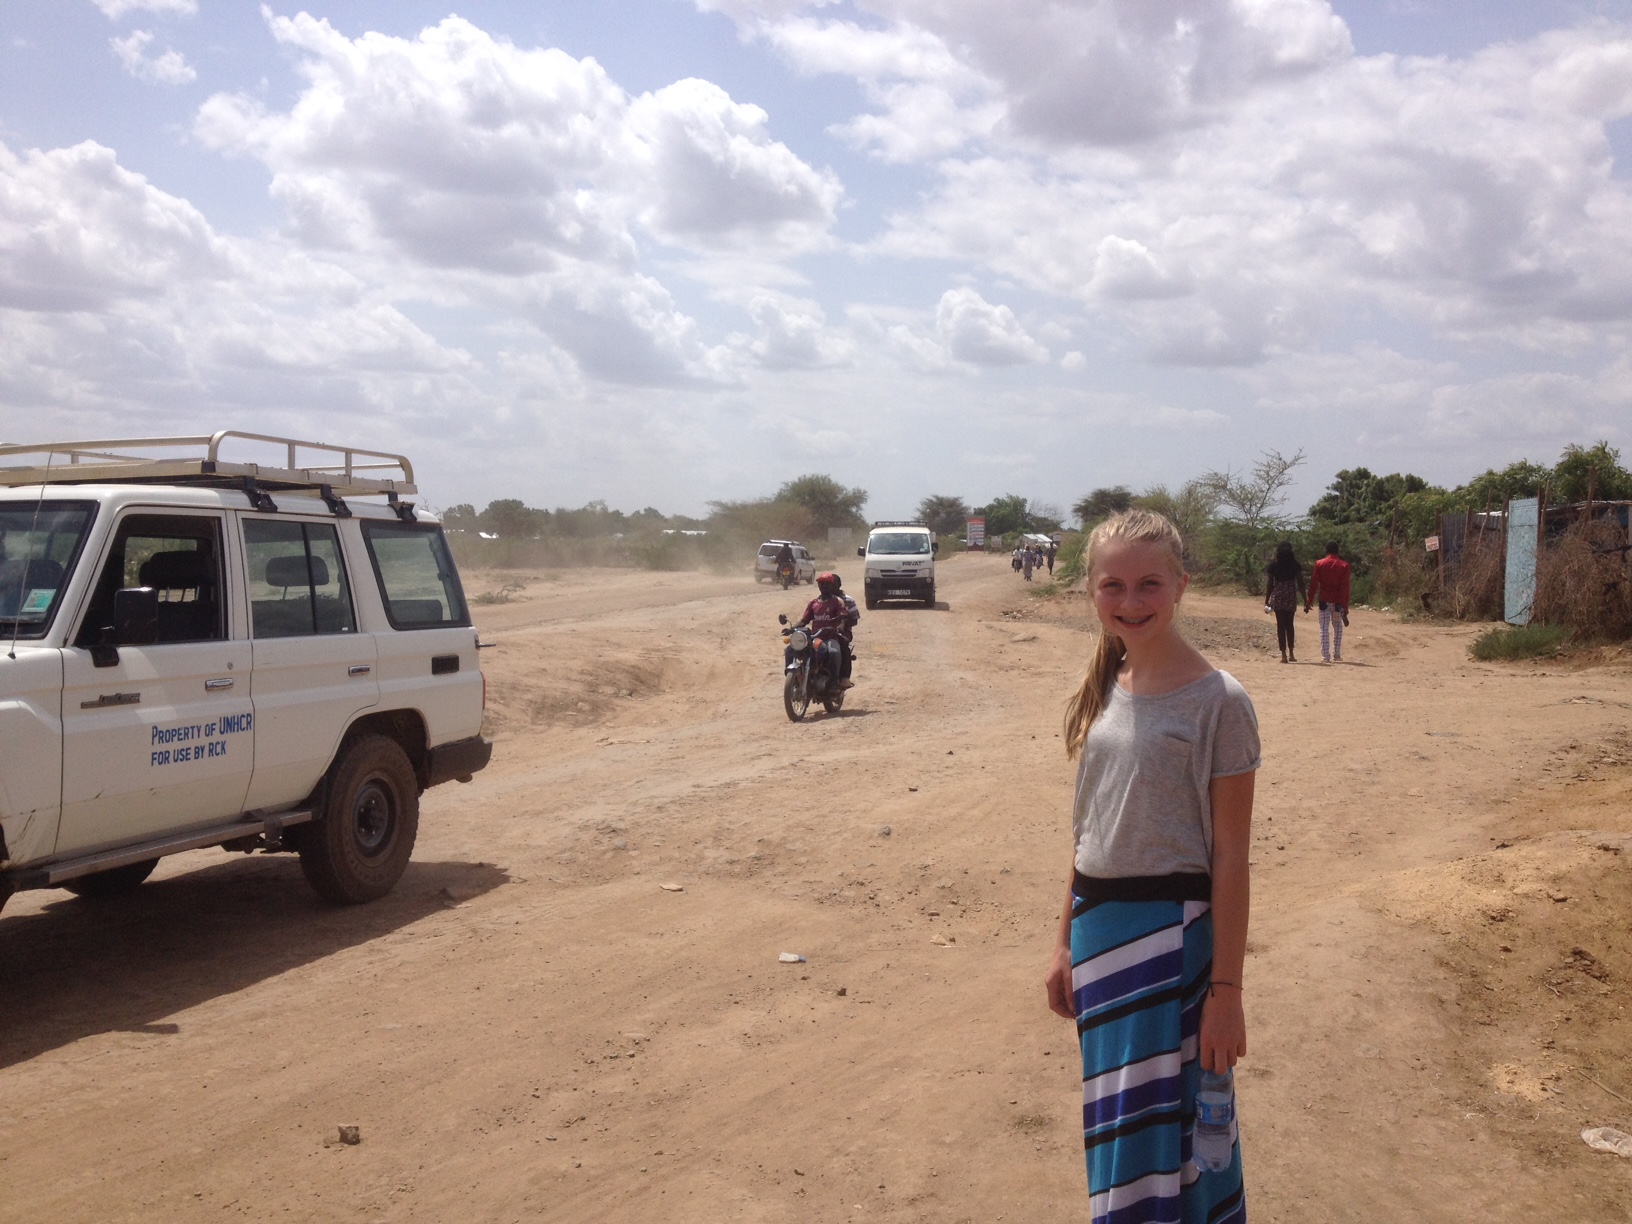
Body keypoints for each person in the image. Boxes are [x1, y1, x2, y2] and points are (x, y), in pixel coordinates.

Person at [1044, 509, 1258, 1224]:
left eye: (1148, 584)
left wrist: (1226, 991)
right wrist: (1062, 944)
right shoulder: (1105, 686)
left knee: (1183, 1131)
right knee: (1120, 1126)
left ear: (1181, 586)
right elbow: (1087, 832)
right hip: (1099, 940)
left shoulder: (1220, 702)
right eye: (1113, 585)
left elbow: (1231, 858)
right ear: (1090, 591)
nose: (1130, 601)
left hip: (1173, 947)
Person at [789, 572, 847, 683]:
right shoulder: (813, 603)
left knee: (834, 652)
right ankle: (793, 677)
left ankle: (834, 683)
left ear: (832, 585)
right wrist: (791, 628)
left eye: (827, 584)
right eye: (821, 583)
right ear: (818, 585)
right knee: (790, 649)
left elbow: (842, 618)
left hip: (830, 638)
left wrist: (840, 626)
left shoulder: (837, 601)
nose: (824, 586)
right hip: (815, 638)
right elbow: (804, 621)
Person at [1306, 540, 1352, 662]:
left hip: (1324, 600)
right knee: (1337, 627)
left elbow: (1314, 584)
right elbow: (1345, 587)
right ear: (1337, 551)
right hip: (1338, 601)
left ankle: (1325, 656)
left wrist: (1310, 600)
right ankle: (1337, 654)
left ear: (1326, 551)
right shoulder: (1344, 566)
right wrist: (1345, 606)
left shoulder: (1319, 564)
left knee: (1324, 627)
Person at [1263, 541, 1305, 663]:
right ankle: (1291, 653)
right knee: (1290, 624)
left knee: (1280, 625)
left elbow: (1270, 584)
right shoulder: (1295, 565)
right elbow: (1301, 583)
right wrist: (1306, 600)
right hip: (1290, 595)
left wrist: (1267, 601)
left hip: (1279, 595)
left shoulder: (1274, 565)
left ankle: (1283, 655)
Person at [833, 574, 861, 688]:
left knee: (843, 646)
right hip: (823, 632)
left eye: (831, 584)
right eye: (823, 584)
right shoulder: (820, 600)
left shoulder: (847, 601)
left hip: (842, 633)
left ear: (839, 585)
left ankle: (845, 677)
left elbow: (854, 620)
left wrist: (841, 626)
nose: (827, 587)